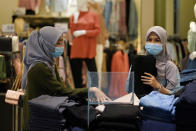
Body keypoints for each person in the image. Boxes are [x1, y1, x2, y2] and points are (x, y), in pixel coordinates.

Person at [21, 26, 109, 131]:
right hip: (39, 121)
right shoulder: (40, 67)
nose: (61, 46)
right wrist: (90, 90)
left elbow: (62, 89)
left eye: (62, 42)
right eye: (58, 43)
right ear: (46, 44)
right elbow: (61, 91)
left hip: (44, 116)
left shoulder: (49, 64)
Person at [141, 26, 180, 95]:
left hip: (159, 105)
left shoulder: (170, 67)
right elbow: (129, 88)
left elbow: (175, 94)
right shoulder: (141, 63)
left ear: (163, 43)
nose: (152, 43)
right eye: (149, 40)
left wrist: (158, 86)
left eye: (157, 40)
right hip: (139, 103)